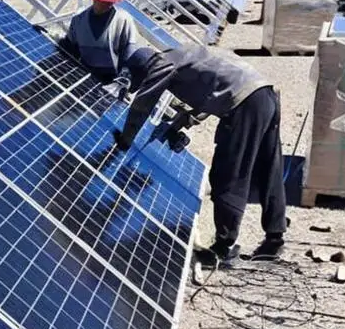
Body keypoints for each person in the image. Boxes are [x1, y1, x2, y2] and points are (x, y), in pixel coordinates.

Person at [113, 44, 286, 262]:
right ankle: (275, 237)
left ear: (144, 69)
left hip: (244, 104)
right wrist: (181, 122)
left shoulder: (159, 65)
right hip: (266, 93)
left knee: (229, 173)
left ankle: (223, 246)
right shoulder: (182, 54)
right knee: (268, 165)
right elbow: (211, 88)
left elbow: (143, 102)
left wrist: (126, 138)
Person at [56, 0, 138, 96]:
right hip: (82, 80)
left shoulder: (124, 21)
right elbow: (70, 51)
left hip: (111, 83)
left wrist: (121, 82)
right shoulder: (78, 21)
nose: (108, 3)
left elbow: (130, 56)